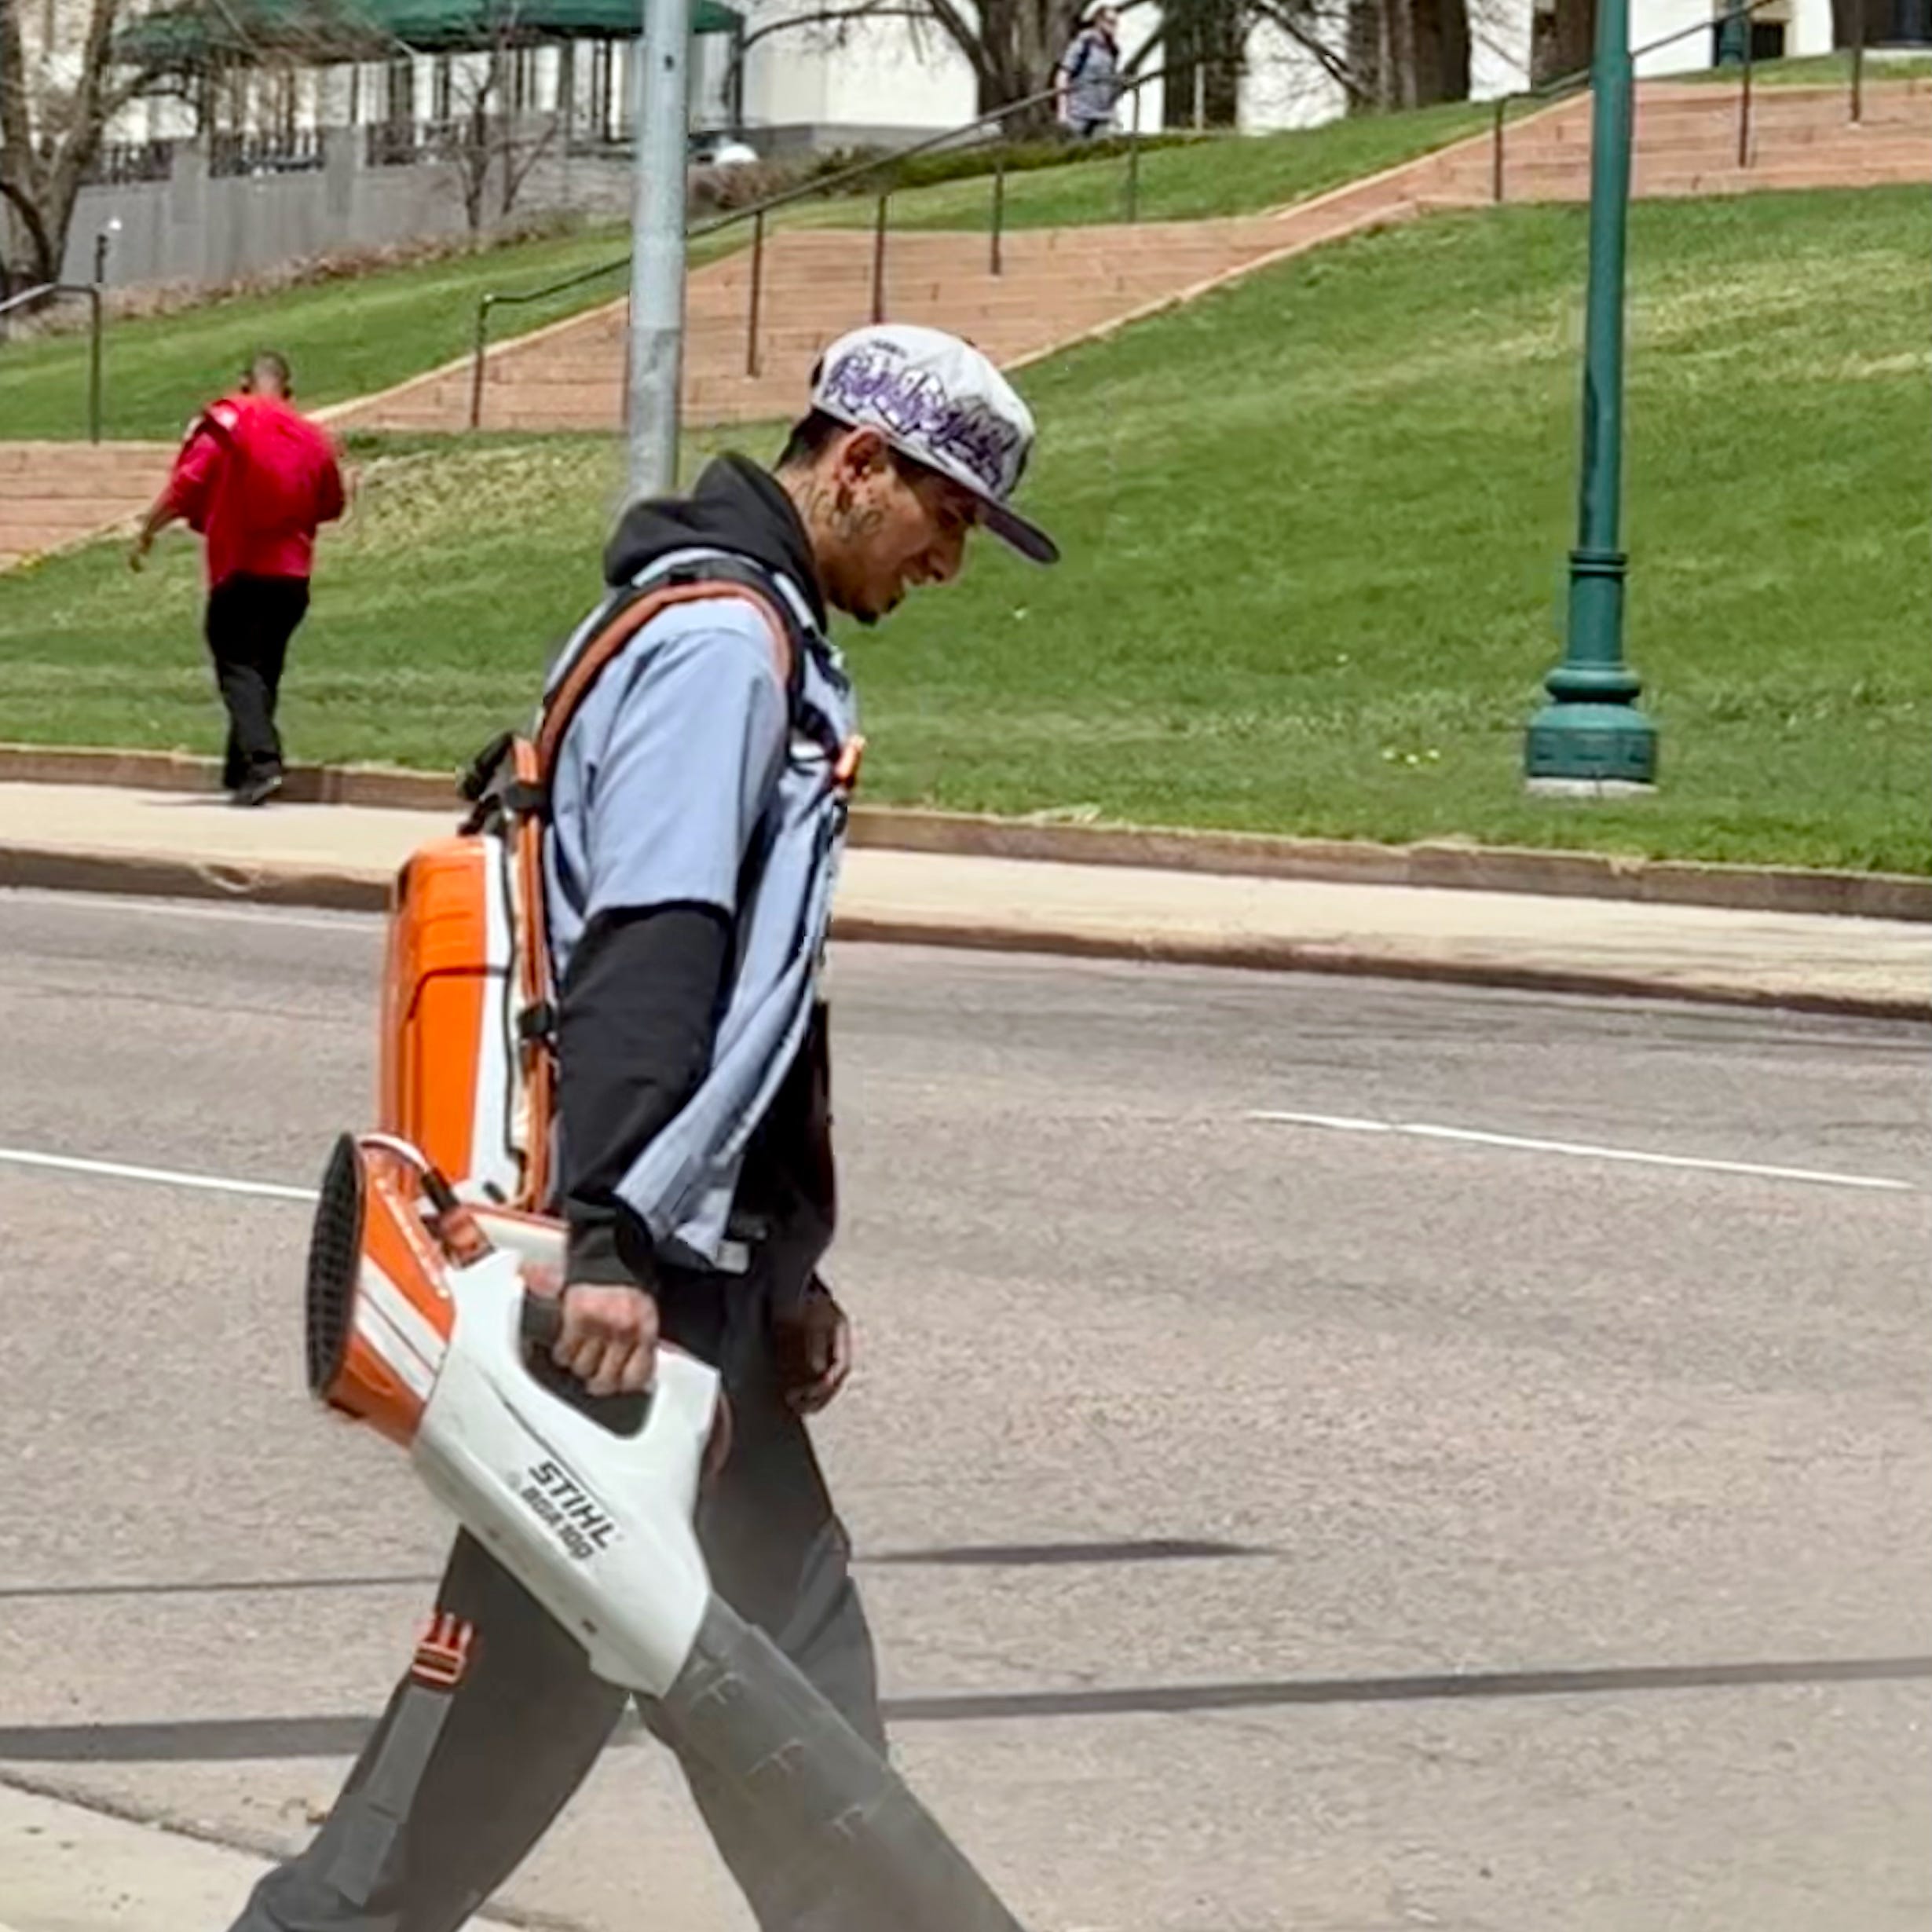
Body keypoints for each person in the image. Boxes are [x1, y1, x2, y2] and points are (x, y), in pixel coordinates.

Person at [224, 321, 1058, 1932]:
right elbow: (654, 958)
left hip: (692, 1293)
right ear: (858, 466)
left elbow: (748, 1011)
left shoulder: (734, 627)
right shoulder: (720, 647)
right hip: (630, 1308)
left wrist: (783, 1269)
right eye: (947, 514)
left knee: (779, 1732)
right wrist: (613, 1246)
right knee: (504, 1789)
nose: (954, 559)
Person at [130, 350, 346, 807]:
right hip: (293, 575)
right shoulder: (312, 436)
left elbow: (189, 483)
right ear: (288, 391)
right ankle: (241, 771)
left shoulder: (229, 422)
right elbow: (331, 503)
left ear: (245, 383)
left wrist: (149, 528)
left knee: (238, 667)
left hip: (240, 566)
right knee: (262, 670)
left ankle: (265, 762)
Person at [1056, 3, 1124, 140]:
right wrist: (1062, 111)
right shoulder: (1082, 44)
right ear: (1099, 22)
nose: (1114, 27)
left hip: (1102, 114)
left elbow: (1111, 83)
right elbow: (1063, 76)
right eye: (1110, 22)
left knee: (1104, 151)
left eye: (1116, 23)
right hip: (1078, 113)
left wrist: (1114, 112)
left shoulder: (1112, 51)